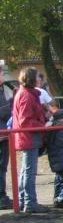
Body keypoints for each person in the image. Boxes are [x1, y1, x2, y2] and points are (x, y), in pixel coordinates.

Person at [12, 68, 48, 213]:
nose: (40, 79)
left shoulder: (26, 94)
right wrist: (43, 125)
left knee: (25, 170)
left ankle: (23, 200)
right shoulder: (27, 96)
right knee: (29, 171)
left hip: (27, 137)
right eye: (38, 77)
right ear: (32, 79)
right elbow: (25, 122)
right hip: (29, 137)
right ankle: (29, 202)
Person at [0, 65, 12, 209]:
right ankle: (1, 197)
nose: (3, 77)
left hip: (3, 133)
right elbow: (4, 111)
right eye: (2, 74)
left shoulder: (3, 90)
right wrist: (12, 105)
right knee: (1, 167)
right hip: (2, 135)